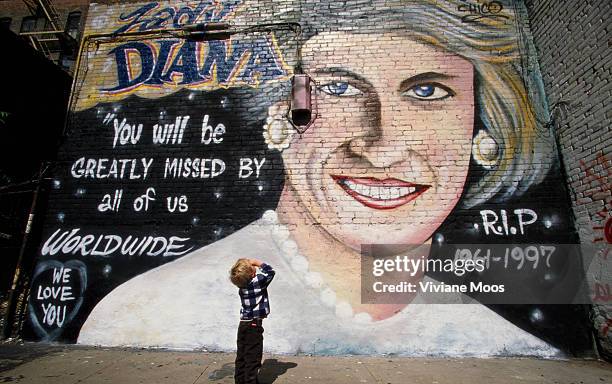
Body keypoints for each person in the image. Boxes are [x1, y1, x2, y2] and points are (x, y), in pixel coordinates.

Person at [78, 1, 561, 356]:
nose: (383, 145)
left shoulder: (513, 350)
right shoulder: (146, 319)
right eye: (338, 87)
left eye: (428, 90)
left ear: (480, 126)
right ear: (281, 116)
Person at [230, 258, 275, 384]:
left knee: (242, 356)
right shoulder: (258, 282)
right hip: (254, 326)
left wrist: (251, 268)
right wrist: (258, 263)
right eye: (251, 267)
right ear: (252, 274)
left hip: (243, 324)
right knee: (253, 358)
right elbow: (270, 272)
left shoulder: (242, 287)